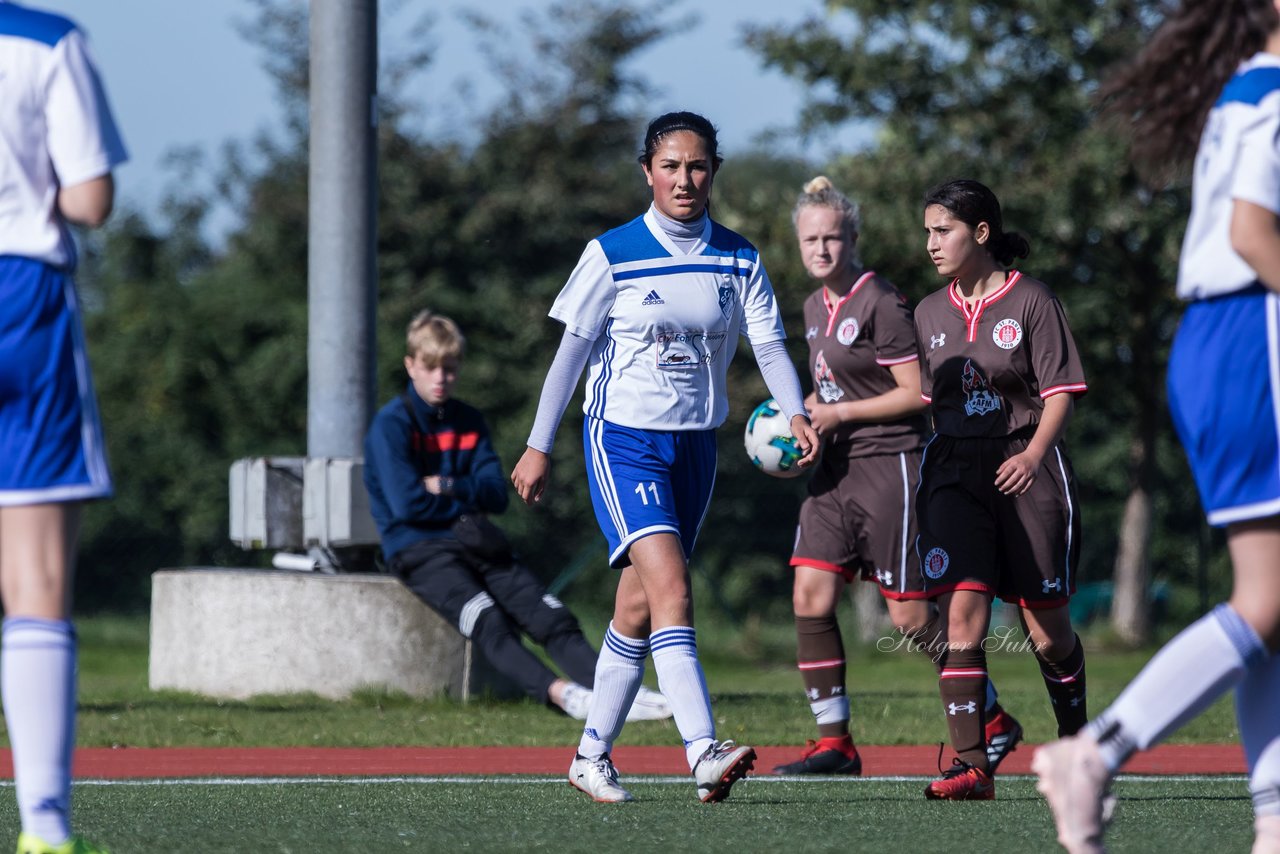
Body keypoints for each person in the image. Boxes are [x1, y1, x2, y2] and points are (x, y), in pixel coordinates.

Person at [511, 111, 820, 804]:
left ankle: (590, 755)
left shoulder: (738, 256)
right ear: (647, 172)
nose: (685, 179)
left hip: (695, 447)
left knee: (640, 607)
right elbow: (571, 356)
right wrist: (537, 444)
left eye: (698, 166)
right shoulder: (612, 252)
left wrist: (795, 409)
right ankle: (703, 748)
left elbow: (769, 345)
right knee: (674, 590)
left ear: (714, 172)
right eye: (671, 166)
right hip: (622, 438)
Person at [1034, 3, 1280, 852]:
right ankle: (1096, 753)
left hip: (1220, 341)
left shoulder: (1243, 92)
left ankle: (1275, 819)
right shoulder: (1276, 95)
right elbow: (1254, 235)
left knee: (1275, 604)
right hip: (1255, 338)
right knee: (1268, 598)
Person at [772, 176, 1023, 777]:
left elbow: (918, 393)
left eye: (832, 237)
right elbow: (833, 387)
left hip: (891, 466)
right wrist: (802, 421)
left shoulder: (881, 301)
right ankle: (834, 743)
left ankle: (990, 717)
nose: (821, 250)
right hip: (835, 473)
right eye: (811, 240)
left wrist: (837, 413)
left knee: (910, 617)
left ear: (852, 238)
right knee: (809, 594)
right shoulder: (813, 307)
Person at [363, 311, 671, 724]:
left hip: (472, 536)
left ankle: (617, 692)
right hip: (417, 548)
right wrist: (460, 495)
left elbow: (495, 492)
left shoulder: (469, 420)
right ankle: (566, 697)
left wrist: (448, 486)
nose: (441, 378)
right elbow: (407, 508)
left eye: (449, 369)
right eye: (430, 367)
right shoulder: (391, 426)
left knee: (550, 615)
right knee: (487, 620)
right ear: (410, 365)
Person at [913, 179, 1090, 801]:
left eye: (944, 230)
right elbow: (930, 401)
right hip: (955, 471)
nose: (930, 242)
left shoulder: (1033, 300)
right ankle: (971, 767)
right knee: (959, 611)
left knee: (1048, 631)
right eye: (928, 230)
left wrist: (1035, 455)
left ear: (980, 233)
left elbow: (1061, 389)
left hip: (1024, 465)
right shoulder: (929, 312)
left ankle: (1076, 747)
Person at [0, 3, 127, 852]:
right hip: (21, 302)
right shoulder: (45, 40)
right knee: (36, 581)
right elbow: (89, 200)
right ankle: (45, 826)